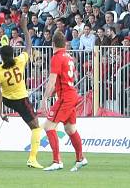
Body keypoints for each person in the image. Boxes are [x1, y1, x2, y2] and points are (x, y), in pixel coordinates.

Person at [0, 15, 44, 169]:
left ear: (1, 57)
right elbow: (28, 47)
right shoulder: (19, 61)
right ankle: (32, 159)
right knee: (36, 127)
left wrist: (0, 112)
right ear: (13, 54)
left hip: (8, 100)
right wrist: (24, 29)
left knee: (33, 124)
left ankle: (32, 158)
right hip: (21, 99)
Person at [41, 30, 87, 172]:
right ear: (65, 44)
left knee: (48, 126)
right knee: (70, 129)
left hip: (65, 97)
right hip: (71, 94)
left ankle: (57, 161)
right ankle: (80, 159)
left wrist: (45, 97)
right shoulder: (68, 57)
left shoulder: (56, 57)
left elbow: (53, 79)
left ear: (53, 44)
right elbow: (65, 79)